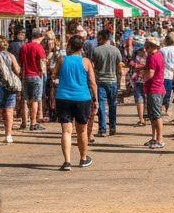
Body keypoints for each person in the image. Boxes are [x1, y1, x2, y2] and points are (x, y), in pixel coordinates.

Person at [53, 35, 98, 171]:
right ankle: (83, 159)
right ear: (81, 48)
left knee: (66, 131)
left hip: (63, 98)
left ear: (69, 46)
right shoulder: (86, 62)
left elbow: (54, 75)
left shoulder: (62, 60)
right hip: (82, 98)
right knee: (82, 130)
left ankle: (67, 162)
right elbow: (92, 82)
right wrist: (95, 99)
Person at [90, 29, 125, 137]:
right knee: (113, 105)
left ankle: (102, 129)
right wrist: (120, 80)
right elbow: (120, 67)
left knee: (101, 106)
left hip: (100, 81)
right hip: (112, 81)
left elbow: (92, 66)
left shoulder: (96, 51)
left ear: (101, 37)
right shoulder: (116, 50)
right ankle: (113, 128)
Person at [18, 28, 48, 132]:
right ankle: (33, 123)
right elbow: (42, 63)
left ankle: (24, 123)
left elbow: (21, 62)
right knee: (35, 100)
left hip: (25, 75)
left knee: (25, 100)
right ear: (40, 36)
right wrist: (43, 73)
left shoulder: (24, 47)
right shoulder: (39, 47)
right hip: (36, 75)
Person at [0, 36, 20, 144]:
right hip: (10, 85)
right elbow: (17, 69)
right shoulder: (11, 56)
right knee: (9, 110)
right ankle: (8, 135)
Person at [142, 37, 168, 149]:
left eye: (147, 46)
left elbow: (151, 73)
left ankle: (160, 139)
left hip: (155, 89)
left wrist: (142, 78)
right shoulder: (158, 55)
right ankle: (154, 138)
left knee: (156, 115)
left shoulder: (153, 57)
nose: (145, 48)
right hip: (155, 88)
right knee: (152, 116)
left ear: (151, 46)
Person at [159, 33, 174, 114]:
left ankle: (162, 107)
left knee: (163, 92)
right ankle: (168, 108)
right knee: (171, 93)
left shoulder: (162, 50)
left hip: (164, 74)